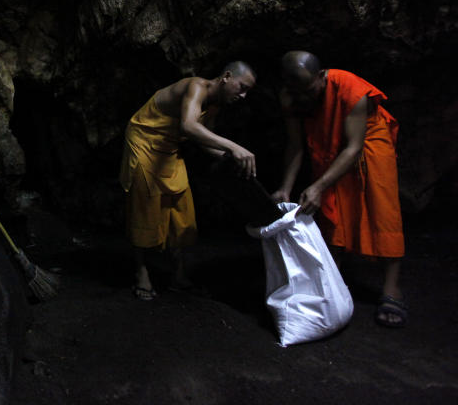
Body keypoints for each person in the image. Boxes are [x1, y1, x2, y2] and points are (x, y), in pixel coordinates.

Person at [272, 51, 407, 327]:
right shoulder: (291, 96)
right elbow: (295, 145)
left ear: (321, 77)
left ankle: (391, 288)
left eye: (309, 89)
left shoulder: (350, 89)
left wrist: (318, 185)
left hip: (368, 143)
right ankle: (334, 282)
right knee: (333, 209)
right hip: (330, 146)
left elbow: (354, 147)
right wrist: (285, 188)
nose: (305, 97)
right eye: (298, 92)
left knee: (383, 212)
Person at [120, 62, 257, 300]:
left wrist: (230, 158)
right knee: (145, 208)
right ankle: (141, 273)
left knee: (182, 210)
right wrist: (235, 148)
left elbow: (204, 139)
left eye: (247, 92)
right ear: (226, 76)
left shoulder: (215, 104)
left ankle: (179, 275)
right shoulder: (197, 87)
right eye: (242, 87)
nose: (243, 95)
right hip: (144, 142)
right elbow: (189, 126)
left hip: (170, 148)